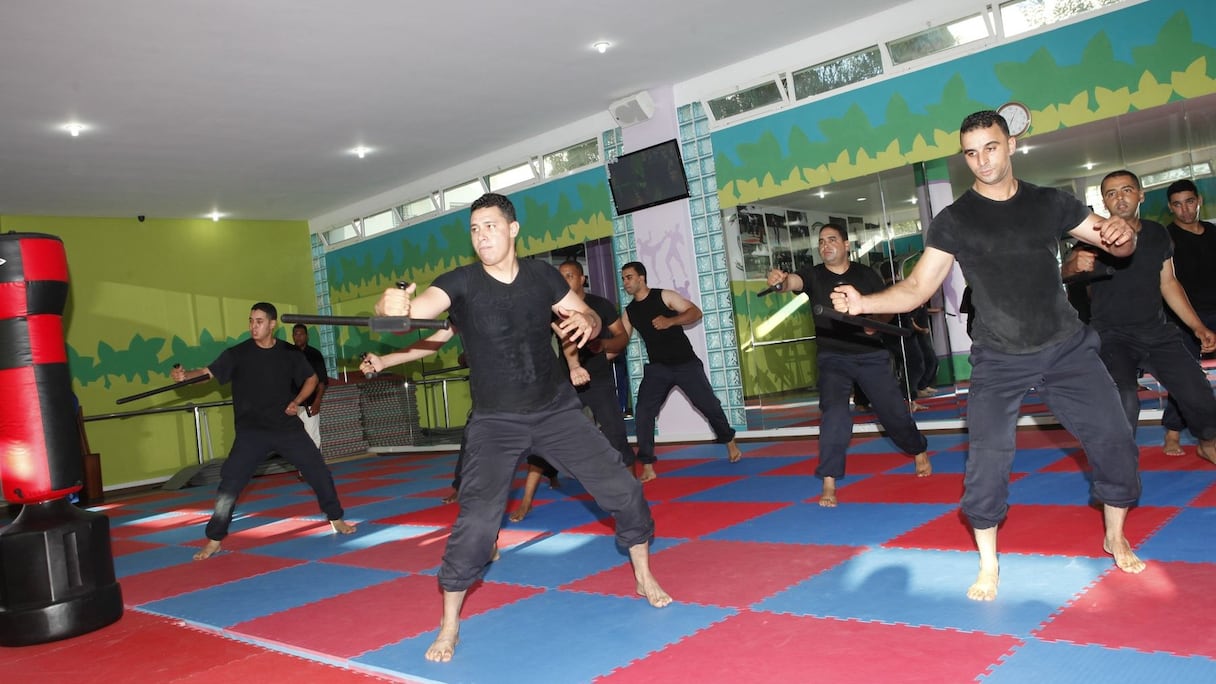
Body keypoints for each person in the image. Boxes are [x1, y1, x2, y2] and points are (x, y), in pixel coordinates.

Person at [830, 110, 1146, 602]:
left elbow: (1112, 240)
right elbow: (916, 288)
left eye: (991, 147)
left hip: (1067, 347)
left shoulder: (1050, 203)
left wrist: (1122, 237)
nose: (982, 160)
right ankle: (988, 562)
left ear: (1011, 145)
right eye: (972, 152)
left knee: (1115, 439)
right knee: (987, 463)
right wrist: (865, 303)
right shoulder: (955, 219)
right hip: (999, 357)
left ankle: (1115, 533)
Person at [374, 192, 670, 664]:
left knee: (625, 491)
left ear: (512, 229)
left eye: (490, 226)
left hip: (556, 411)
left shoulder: (541, 276)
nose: (482, 235)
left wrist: (585, 320)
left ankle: (643, 574)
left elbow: (589, 315)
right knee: (475, 524)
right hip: (496, 421)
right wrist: (389, 305)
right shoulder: (461, 283)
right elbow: (406, 317)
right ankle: (450, 623)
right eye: (474, 229)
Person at [171, 303, 356, 561]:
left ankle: (336, 518)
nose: (253, 326)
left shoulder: (289, 353)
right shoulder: (237, 354)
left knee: (318, 471)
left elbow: (312, 379)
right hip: (252, 433)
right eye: (250, 321)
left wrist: (297, 401)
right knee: (230, 485)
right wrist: (185, 376)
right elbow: (207, 373)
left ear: (272, 325)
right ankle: (214, 540)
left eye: (259, 321)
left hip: (286, 428)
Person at [766, 224, 930, 507]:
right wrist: (780, 280)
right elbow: (792, 282)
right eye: (821, 242)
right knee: (835, 415)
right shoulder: (814, 275)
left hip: (871, 355)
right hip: (833, 358)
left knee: (893, 414)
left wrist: (874, 325)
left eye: (831, 240)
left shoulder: (866, 275)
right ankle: (829, 480)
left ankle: (918, 450)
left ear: (845, 245)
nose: (825, 245)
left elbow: (887, 306)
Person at [1061, 170, 1216, 464]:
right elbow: (1065, 273)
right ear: (1104, 201)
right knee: (1124, 400)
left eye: (1126, 190)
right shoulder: (1093, 235)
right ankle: (1117, 465)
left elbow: (1168, 283)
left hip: (1157, 332)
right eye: (1111, 193)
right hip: (1112, 335)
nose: (1120, 197)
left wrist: (1197, 327)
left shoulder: (1158, 234)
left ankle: (1208, 443)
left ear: (1140, 195)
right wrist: (1072, 266)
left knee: (1197, 390)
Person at [510, 259, 634, 522]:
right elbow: (558, 342)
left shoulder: (600, 305)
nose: (565, 280)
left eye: (570, 275)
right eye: (561, 276)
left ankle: (631, 488)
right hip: (565, 381)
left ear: (582, 279)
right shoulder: (553, 310)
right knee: (544, 436)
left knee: (614, 431)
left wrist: (603, 344)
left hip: (598, 378)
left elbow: (622, 337)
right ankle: (527, 500)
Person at [614, 262, 743, 482]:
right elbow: (621, 340)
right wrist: (602, 349)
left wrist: (670, 321)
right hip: (657, 369)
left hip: (685, 364)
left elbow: (695, 312)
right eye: (623, 278)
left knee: (709, 405)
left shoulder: (664, 296)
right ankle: (647, 466)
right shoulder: (630, 312)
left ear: (641, 278)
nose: (625, 282)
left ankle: (730, 442)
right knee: (644, 412)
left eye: (629, 277)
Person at [361, 326, 468, 502]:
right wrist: (384, 361)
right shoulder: (463, 308)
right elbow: (434, 342)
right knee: (471, 442)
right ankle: (462, 486)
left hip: (525, 396)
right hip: (488, 405)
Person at [1162, 179, 1216, 455]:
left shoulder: (1213, 233)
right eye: (1177, 204)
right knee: (1185, 376)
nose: (1185, 209)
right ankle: (1172, 433)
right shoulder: (1166, 238)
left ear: (1199, 201)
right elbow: (1166, 283)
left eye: (1189, 201)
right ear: (1170, 207)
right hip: (1184, 317)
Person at [290, 323, 329, 449]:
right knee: (295, 439)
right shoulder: (288, 355)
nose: (298, 337)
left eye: (301, 334)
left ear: (306, 336)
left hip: (310, 404)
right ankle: (302, 467)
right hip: (292, 404)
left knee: (313, 438)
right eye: (296, 334)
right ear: (293, 336)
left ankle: (315, 467)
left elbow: (322, 381)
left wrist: (317, 401)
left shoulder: (315, 355)